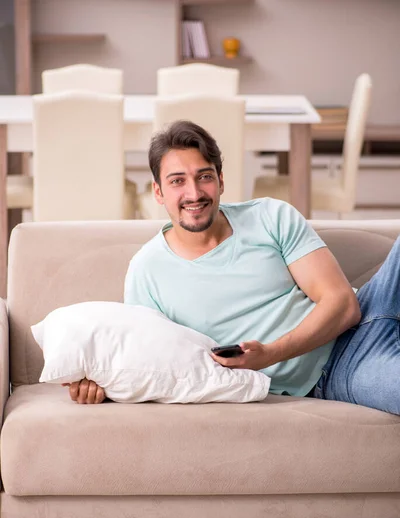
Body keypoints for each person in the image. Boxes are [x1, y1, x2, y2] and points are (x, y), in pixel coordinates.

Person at [65, 120, 400, 415]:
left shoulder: (271, 216)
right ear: (158, 192)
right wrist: (99, 382)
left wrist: (270, 354)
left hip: (375, 301)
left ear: (221, 181)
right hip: (341, 368)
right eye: (177, 181)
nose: (194, 193)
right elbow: (145, 360)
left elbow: (343, 304)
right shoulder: (146, 271)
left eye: (204, 177)